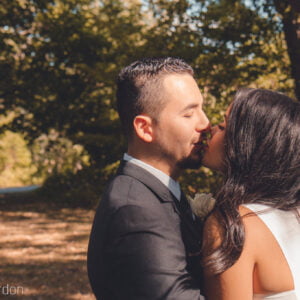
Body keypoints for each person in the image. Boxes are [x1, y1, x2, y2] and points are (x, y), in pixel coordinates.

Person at [87, 57, 210, 299]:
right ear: (145, 128)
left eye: (202, 109)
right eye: (189, 114)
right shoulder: (136, 208)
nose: (205, 123)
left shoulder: (156, 191)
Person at [201, 88, 300, 299]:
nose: (212, 128)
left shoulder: (234, 225)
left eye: (225, 125)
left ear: (247, 144)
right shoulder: (293, 216)